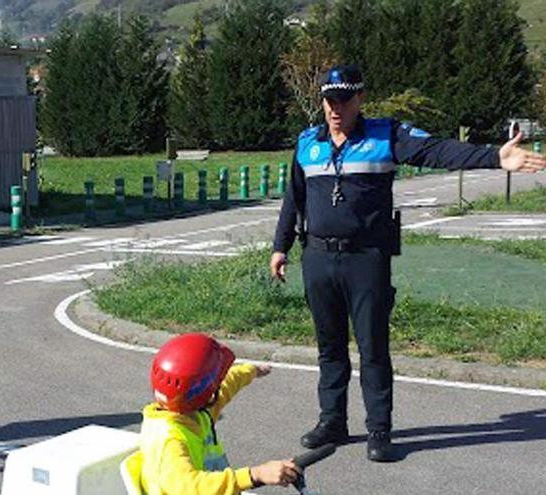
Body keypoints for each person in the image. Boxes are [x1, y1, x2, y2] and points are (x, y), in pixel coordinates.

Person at [269, 65, 546, 462]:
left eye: (344, 100)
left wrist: (493, 157)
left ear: (360, 99)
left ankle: (379, 430)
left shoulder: (386, 134)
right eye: (330, 100)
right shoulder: (307, 142)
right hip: (317, 256)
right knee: (329, 347)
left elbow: (436, 150)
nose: (336, 108)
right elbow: (294, 197)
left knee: (373, 347)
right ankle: (332, 420)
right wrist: (281, 246)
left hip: (366, 258)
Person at [135, 332, 299, 494]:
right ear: (205, 392)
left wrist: (250, 371)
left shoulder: (191, 412)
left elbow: (226, 386)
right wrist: (255, 474)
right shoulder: (169, 441)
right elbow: (190, 487)